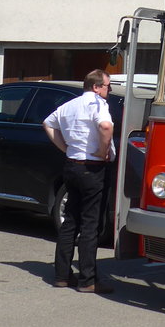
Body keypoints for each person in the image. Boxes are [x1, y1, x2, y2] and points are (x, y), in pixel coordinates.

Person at [43, 69, 116, 294]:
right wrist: (103, 151)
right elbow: (106, 126)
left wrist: (66, 149)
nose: (108, 91)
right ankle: (88, 280)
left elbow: (47, 123)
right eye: (107, 86)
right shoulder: (97, 104)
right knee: (90, 224)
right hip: (92, 167)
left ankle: (62, 276)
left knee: (70, 221)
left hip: (72, 165)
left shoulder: (69, 105)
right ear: (96, 87)